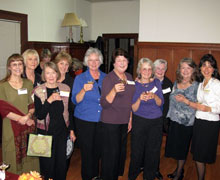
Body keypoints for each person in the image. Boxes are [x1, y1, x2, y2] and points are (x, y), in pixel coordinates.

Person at [175, 54, 220, 180]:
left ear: (214, 69)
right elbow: (198, 103)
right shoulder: (200, 83)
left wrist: (209, 108)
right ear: (199, 68)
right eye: (204, 65)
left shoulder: (216, 84)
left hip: (210, 123)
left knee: (201, 157)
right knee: (197, 154)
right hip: (199, 121)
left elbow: (217, 107)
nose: (206, 69)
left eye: (210, 66)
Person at [34, 61, 75, 180]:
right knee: (47, 166)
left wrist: (71, 130)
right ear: (44, 75)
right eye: (48, 73)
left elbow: (69, 111)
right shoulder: (39, 90)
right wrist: (49, 100)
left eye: (53, 73)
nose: (51, 76)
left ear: (57, 74)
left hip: (62, 132)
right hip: (45, 133)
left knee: (61, 164)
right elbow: (40, 115)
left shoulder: (65, 88)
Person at [0, 54, 39, 174]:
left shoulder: (28, 83)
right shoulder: (2, 86)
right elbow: (3, 109)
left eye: (20, 64)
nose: (18, 67)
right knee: (11, 155)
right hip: (10, 128)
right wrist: (21, 119)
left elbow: (32, 104)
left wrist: (27, 117)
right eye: (14, 64)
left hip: (28, 126)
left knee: (30, 157)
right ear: (9, 67)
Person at [100, 48, 135, 180]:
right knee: (110, 154)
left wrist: (130, 119)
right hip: (110, 122)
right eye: (118, 60)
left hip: (124, 121)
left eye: (124, 60)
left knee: (120, 153)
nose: (122, 63)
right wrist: (114, 90)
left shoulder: (130, 77)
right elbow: (104, 103)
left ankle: (115, 176)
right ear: (113, 63)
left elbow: (130, 101)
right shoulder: (109, 79)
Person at [72, 47, 106, 180]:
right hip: (84, 120)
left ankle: (96, 177)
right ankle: (87, 177)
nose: (93, 63)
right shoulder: (80, 78)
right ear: (86, 61)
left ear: (100, 61)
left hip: (102, 120)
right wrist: (83, 91)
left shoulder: (106, 77)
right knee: (87, 153)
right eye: (90, 60)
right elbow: (75, 100)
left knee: (98, 151)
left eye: (96, 60)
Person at [128, 58, 164, 180]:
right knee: (137, 151)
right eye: (144, 69)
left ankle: (149, 177)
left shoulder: (157, 83)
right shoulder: (134, 85)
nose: (147, 72)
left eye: (149, 69)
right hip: (140, 121)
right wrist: (139, 99)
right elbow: (133, 108)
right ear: (139, 70)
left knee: (152, 152)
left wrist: (154, 96)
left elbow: (160, 103)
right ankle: (132, 176)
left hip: (156, 122)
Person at [165, 58, 198, 180]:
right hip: (174, 121)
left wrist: (185, 101)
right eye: (183, 67)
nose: (185, 70)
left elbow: (198, 105)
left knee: (182, 149)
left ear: (193, 70)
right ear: (179, 69)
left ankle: (178, 174)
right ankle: (178, 169)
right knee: (176, 148)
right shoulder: (176, 83)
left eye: (188, 68)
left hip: (187, 123)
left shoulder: (196, 86)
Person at [53, 51, 76, 173]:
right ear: (56, 64)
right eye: (61, 63)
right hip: (50, 123)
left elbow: (72, 107)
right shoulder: (50, 78)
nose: (64, 66)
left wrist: (71, 129)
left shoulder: (72, 82)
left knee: (65, 155)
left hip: (66, 123)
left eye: (66, 64)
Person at [153, 59, 173, 180]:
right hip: (149, 119)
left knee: (156, 146)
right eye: (158, 68)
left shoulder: (169, 84)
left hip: (162, 120)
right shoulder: (148, 81)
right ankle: (143, 165)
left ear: (165, 70)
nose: (160, 71)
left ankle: (155, 169)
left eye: (163, 69)